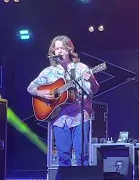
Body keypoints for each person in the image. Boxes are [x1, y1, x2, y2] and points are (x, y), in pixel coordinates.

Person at [27, 35, 100, 166]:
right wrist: (40, 93)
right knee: (63, 157)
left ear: (69, 49)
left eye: (62, 48)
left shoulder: (81, 68)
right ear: (53, 52)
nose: (59, 51)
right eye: (57, 49)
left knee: (82, 155)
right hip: (60, 119)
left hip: (80, 117)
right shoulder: (48, 72)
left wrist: (92, 80)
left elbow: (94, 90)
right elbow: (30, 87)